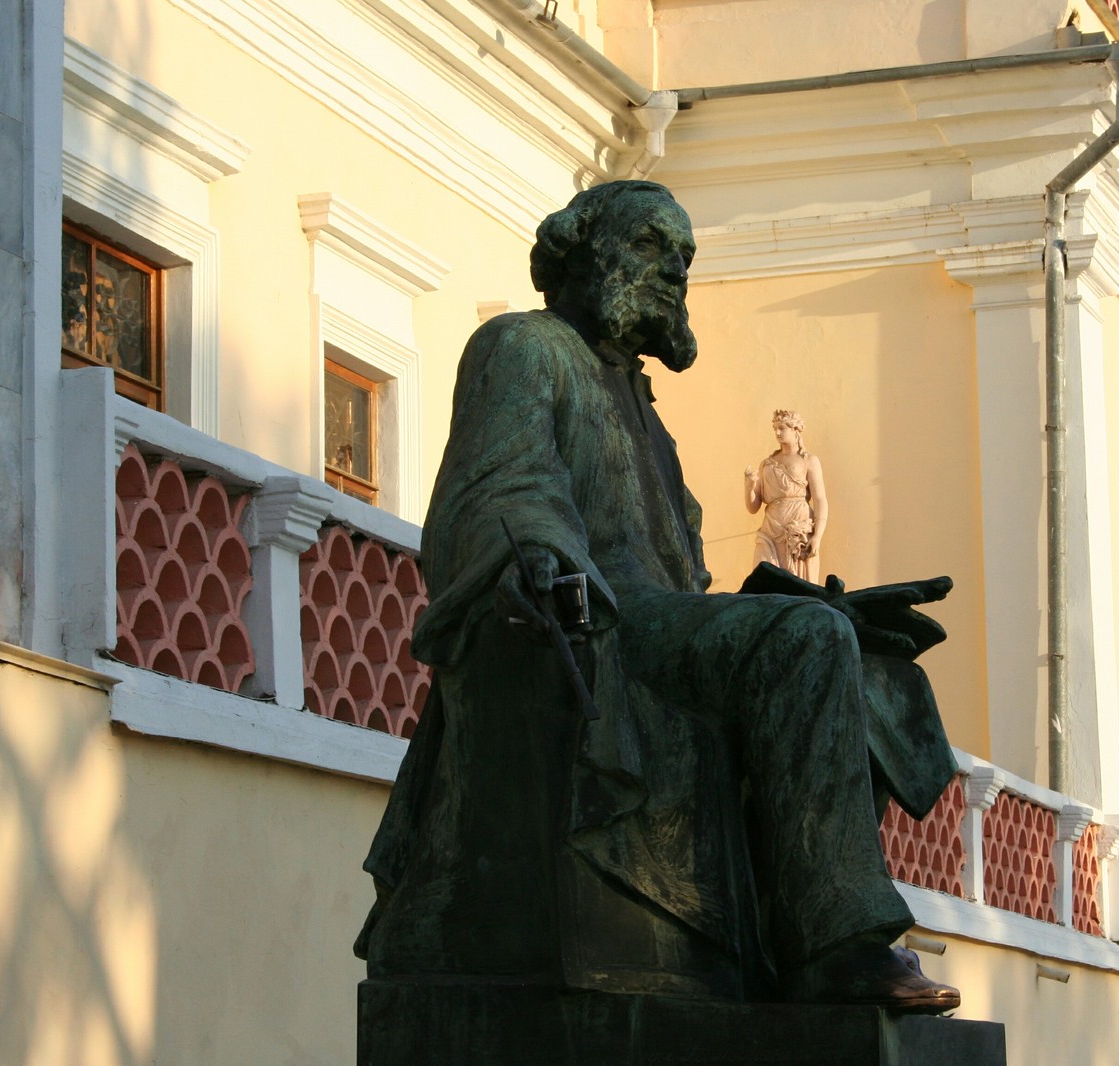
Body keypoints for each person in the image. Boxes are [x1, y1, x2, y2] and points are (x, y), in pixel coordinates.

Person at [356, 180, 959, 1012]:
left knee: (856, 653)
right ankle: (835, 949)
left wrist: (817, 608)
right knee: (806, 642)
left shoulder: (644, 409)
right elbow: (503, 489)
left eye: (684, 256)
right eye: (651, 246)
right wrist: (543, 562)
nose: (674, 268)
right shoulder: (524, 349)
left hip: (657, 624)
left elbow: (690, 586)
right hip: (599, 618)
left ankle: (798, 924)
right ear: (581, 250)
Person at [745, 409, 827, 582]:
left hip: (798, 531)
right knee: (763, 578)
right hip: (770, 528)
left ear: (795, 429)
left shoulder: (809, 460)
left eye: (782, 428)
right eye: (775, 428)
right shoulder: (767, 464)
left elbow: (820, 500)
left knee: (797, 586)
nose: (777, 433)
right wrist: (749, 486)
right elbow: (753, 507)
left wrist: (817, 536)